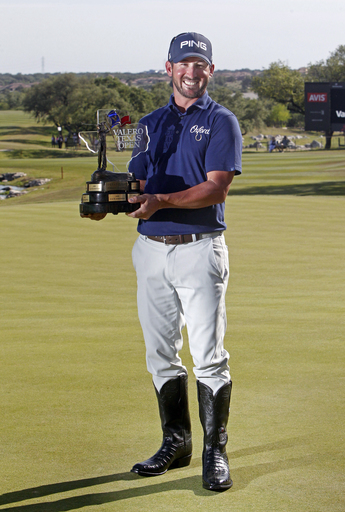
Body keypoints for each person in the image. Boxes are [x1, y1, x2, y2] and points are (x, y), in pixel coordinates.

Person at [83, 32, 242, 491]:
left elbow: (216, 188)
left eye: (200, 64)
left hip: (200, 247)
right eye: (183, 64)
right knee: (160, 354)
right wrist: (107, 198)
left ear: (210, 70)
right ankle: (177, 441)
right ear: (168, 68)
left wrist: (158, 200)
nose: (191, 72)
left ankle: (215, 451)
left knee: (209, 357)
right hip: (150, 250)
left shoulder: (221, 121)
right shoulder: (149, 124)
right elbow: (136, 182)